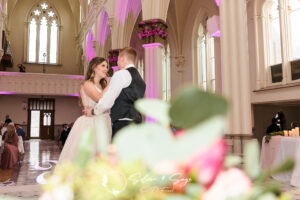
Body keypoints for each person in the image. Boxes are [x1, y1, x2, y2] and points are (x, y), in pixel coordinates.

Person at [58, 57, 112, 164]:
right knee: (90, 157)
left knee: (101, 158)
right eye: (103, 66)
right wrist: (112, 84)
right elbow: (99, 98)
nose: (106, 69)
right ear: (94, 68)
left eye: (107, 66)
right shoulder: (87, 84)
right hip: (91, 123)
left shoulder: (103, 86)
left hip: (104, 121)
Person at [85, 47, 146, 138]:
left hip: (123, 125)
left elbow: (108, 101)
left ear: (122, 59)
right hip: (137, 125)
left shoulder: (121, 74)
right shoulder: (141, 81)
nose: (117, 63)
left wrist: (93, 111)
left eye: (117, 60)